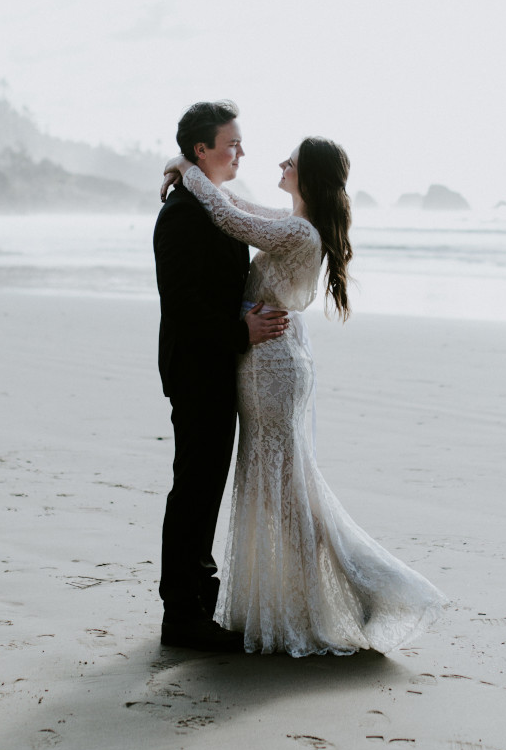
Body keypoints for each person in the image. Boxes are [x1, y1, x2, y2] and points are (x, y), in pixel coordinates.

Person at [161, 137, 448, 656]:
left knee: (284, 487)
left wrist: (186, 168)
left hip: (269, 364)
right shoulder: (298, 223)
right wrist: (192, 175)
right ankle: (326, 593)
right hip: (275, 358)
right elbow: (239, 208)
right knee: (287, 484)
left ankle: (344, 594)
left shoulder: (297, 230)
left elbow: (232, 222)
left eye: (289, 162)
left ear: (307, 177)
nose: (279, 163)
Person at [153, 100, 288, 652]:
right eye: (230, 144)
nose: (241, 152)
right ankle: (183, 618)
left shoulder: (215, 204)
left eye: (240, 142)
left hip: (216, 364)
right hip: (196, 368)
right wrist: (241, 334)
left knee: (203, 485)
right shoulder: (183, 214)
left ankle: (191, 609)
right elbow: (182, 304)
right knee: (196, 488)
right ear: (201, 149)